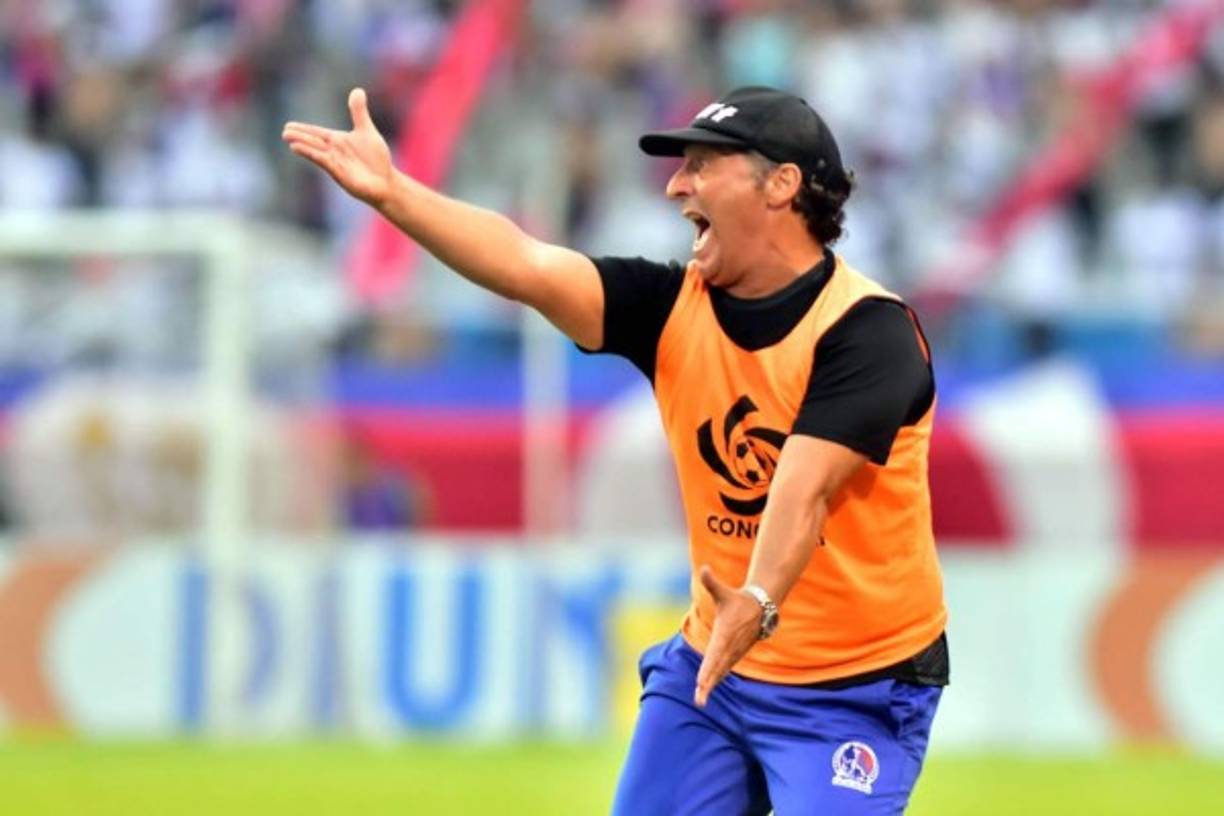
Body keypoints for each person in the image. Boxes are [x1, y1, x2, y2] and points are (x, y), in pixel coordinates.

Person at [284, 84, 948, 815]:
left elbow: (803, 487)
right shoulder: (670, 309)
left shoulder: (867, 331)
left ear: (782, 185)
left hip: (854, 689)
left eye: (702, 164)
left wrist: (755, 601)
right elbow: (526, 266)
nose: (675, 184)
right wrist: (393, 194)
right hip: (714, 677)